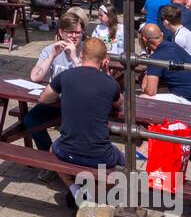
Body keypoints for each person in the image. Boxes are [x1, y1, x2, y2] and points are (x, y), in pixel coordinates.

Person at [30, 38, 123, 177]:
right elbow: (119, 103)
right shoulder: (110, 83)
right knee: (123, 160)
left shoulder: (66, 76)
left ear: (81, 55)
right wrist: (107, 73)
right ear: (104, 60)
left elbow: (43, 98)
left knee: (52, 150)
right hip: (101, 155)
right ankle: (101, 191)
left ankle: (74, 190)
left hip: (67, 151)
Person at [21, 13, 85, 143]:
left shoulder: (87, 51)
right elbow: (35, 77)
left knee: (73, 133)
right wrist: (51, 57)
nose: (74, 36)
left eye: (77, 32)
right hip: (55, 101)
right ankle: (47, 153)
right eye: (69, 32)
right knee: (30, 120)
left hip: (79, 105)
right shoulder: (51, 49)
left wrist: (74, 57)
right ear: (61, 32)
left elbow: (88, 80)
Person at [139, 23, 191, 106]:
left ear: (144, 40)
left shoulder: (156, 58)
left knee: (144, 98)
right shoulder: (174, 46)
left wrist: (143, 50)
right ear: (162, 34)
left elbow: (150, 91)